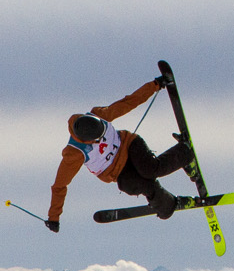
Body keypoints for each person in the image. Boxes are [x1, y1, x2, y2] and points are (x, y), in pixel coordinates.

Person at [43, 75, 193, 232]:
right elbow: (59, 185)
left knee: (150, 169)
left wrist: (155, 85)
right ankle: (169, 204)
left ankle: (185, 152)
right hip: (118, 171)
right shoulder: (74, 153)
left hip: (129, 145)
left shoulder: (99, 114)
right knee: (136, 185)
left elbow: (128, 102)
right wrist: (54, 217)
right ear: (87, 140)